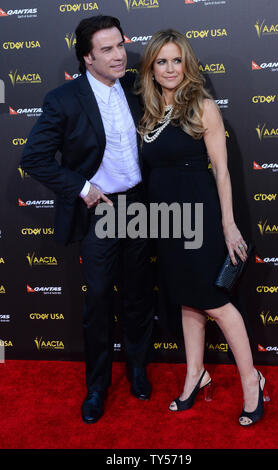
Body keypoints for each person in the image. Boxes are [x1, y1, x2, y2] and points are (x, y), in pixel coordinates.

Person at [20, 15, 154, 424]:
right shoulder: (63, 99)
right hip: (100, 212)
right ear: (87, 57)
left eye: (121, 46)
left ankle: (137, 369)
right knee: (98, 300)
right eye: (108, 50)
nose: (120, 55)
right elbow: (34, 159)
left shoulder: (136, 87)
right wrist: (84, 188)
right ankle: (97, 386)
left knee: (138, 295)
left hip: (140, 207)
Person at [136, 29, 268, 426]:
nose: (170, 68)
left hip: (202, 219)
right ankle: (195, 375)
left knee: (217, 304)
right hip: (167, 221)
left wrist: (228, 225)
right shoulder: (150, 109)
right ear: (152, 68)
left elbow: (223, 172)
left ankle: (252, 382)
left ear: (187, 63)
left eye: (177, 60)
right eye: (162, 61)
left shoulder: (202, 106)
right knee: (186, 300)